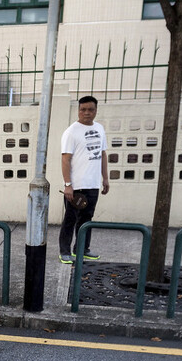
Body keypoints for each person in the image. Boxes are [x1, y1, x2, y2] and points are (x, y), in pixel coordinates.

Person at [58, 95, 109, 263]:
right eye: (83, 109)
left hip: (93, 184)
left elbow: (102, 154)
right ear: (78, 110)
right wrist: (68, 185)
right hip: (76, 185)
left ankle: (82, 249)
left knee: (87, 220)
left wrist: (105, 179)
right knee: (70, 220)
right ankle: (64, 251)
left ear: (96, 111)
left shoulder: (100, 129)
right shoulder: (71, 132)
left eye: (90, 109)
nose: (87, 113)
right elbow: (65, 159)